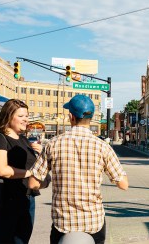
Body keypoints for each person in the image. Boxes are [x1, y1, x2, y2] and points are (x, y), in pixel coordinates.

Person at [29, 94, 128, 244]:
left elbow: (32, 183)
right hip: (93, 222)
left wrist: (46, 183)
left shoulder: (53, 144)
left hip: (62, 223)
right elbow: (123, 184)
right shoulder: (102, 147)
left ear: (71, 117)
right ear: (91, 117)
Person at [0, 99, 43, 244]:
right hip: (5, 202)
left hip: (27, 200)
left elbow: (37, 166)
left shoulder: (24, 140)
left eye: (27, 116)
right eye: (21, 116)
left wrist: (42, 154)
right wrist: (29, 173)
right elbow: (2, 170)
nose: (26, 120)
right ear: (9, 116)